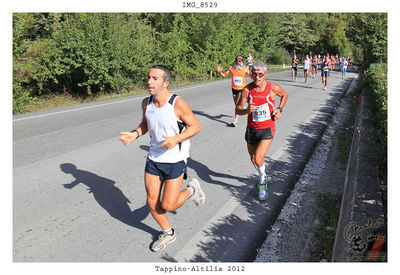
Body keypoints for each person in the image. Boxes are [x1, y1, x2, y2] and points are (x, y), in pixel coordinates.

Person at [120, 65, 205, 252]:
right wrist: (135, 134)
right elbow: (146, 124)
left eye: (155, 78)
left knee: (168, 204)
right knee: (152, 202)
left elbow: (196, 127)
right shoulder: (146, 103)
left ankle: (192, 189)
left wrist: (176, 139)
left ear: (166, 83)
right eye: (149, 77)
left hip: (175, 160)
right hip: (154, 158)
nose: (149, 81)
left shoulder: (177, 104)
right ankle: (169, 233)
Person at [236, 61, 288, 200]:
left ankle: (262, 182)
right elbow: (238, 110)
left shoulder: (273, 88)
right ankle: (264, 175)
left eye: (260, 74)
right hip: (252, 128)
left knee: (259, 158)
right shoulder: (247, 90)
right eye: (254, 74)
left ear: (266, 74)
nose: (257, 77)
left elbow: (285, 95)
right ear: (251, 74)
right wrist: (247, 110)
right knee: (253, 159)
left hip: (267, 128)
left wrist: (279, 109)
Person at [217, 56, 252, 127]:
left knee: (238, 106)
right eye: (237, 60)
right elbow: (224, 75)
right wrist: (220, 71)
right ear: (235, 61)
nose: (238, 62)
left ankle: (235, 121)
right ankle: (248, 110)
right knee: (237, 105)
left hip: (241, 89)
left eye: (240, 61)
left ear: (242, 61)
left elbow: (251, 76)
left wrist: (252, 71)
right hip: (234, 89)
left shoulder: (245, 68)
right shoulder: (231, 68)